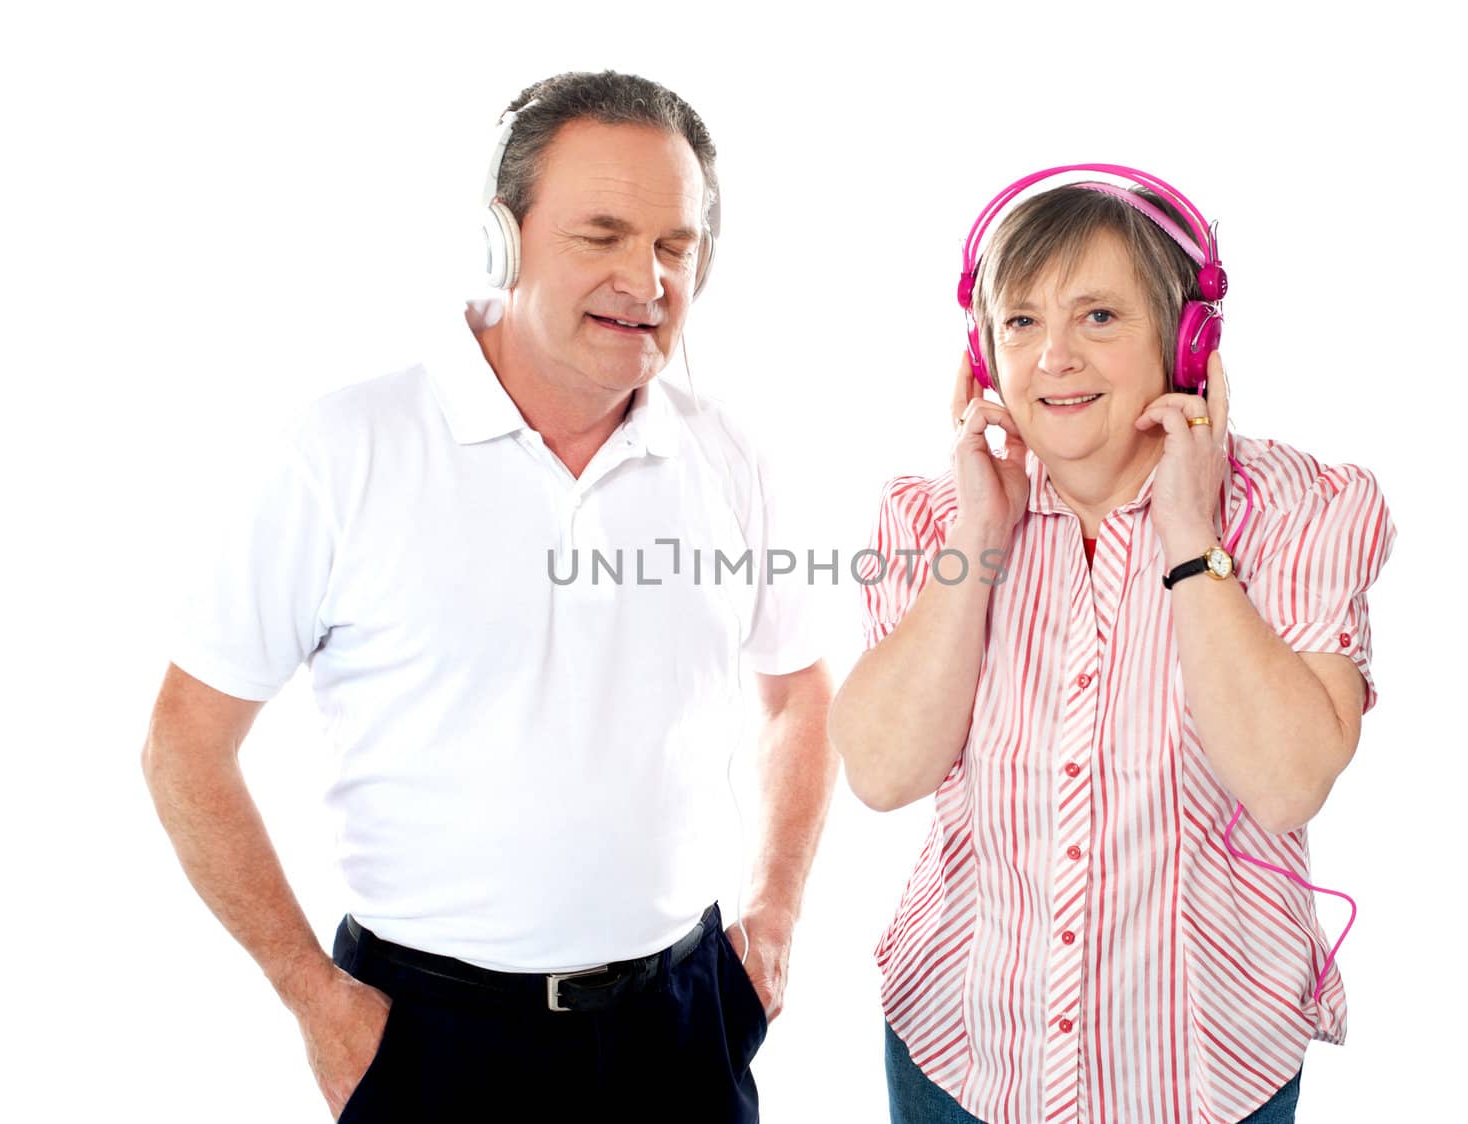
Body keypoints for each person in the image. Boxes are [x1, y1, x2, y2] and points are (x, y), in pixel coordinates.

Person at [141, 70, 836, 1123]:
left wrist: (773, 918)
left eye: (674, 244)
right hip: (430, 1036)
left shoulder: (728, 453)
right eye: (599, 234)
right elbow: (185, 740)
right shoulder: (345, 450)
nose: (644, 277)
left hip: (681, 1022)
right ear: (498, 241)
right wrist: (316, 1002)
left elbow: (798, 692)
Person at [829, 167, 1395, 1124]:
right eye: (1020, 322)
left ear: (1188, 343)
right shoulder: (933, 518)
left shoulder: (1298, 509)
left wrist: (1189, 538)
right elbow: (884, 772)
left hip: (1203, 1072)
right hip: (963, 1058)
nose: (1053, 357)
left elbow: (1288, 779)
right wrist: (977, 540)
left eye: (1098, 316)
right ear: (980, 353)